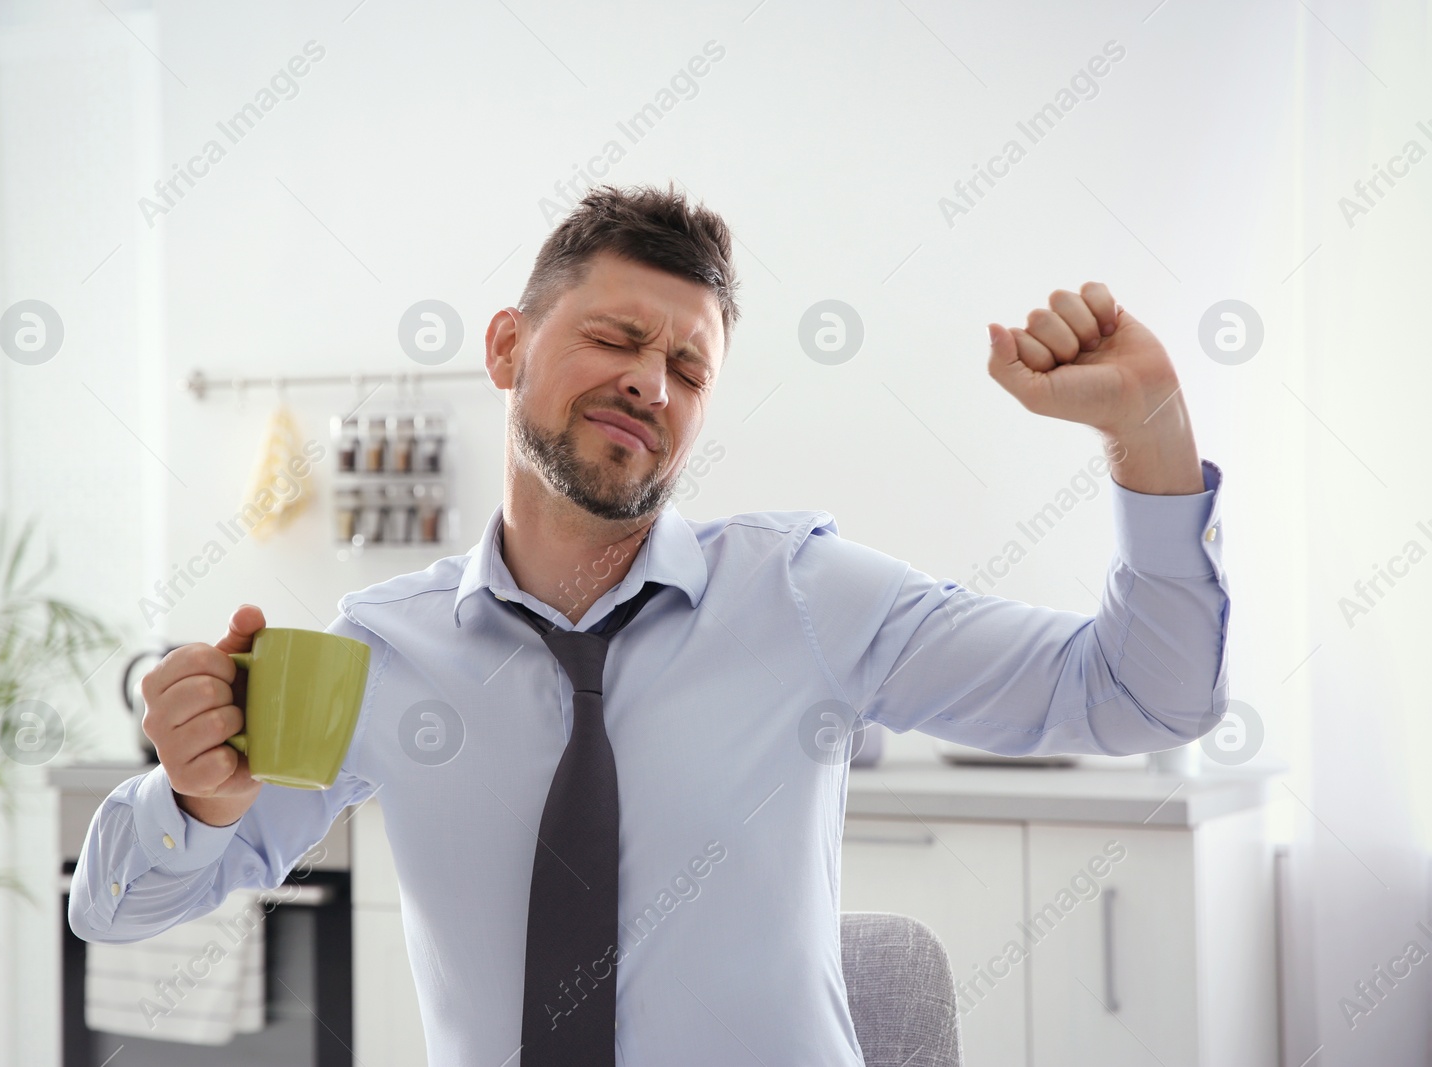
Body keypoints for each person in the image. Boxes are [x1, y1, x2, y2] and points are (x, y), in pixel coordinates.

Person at [70, 181, 1229, 1065]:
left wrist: (1152, 433)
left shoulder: (806, 595)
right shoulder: (382, 651)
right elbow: (117, 908)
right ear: (507, 348)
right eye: (618, 340)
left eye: (688, 365)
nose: (652, 384)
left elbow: (1144, 695)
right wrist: (192, 798)